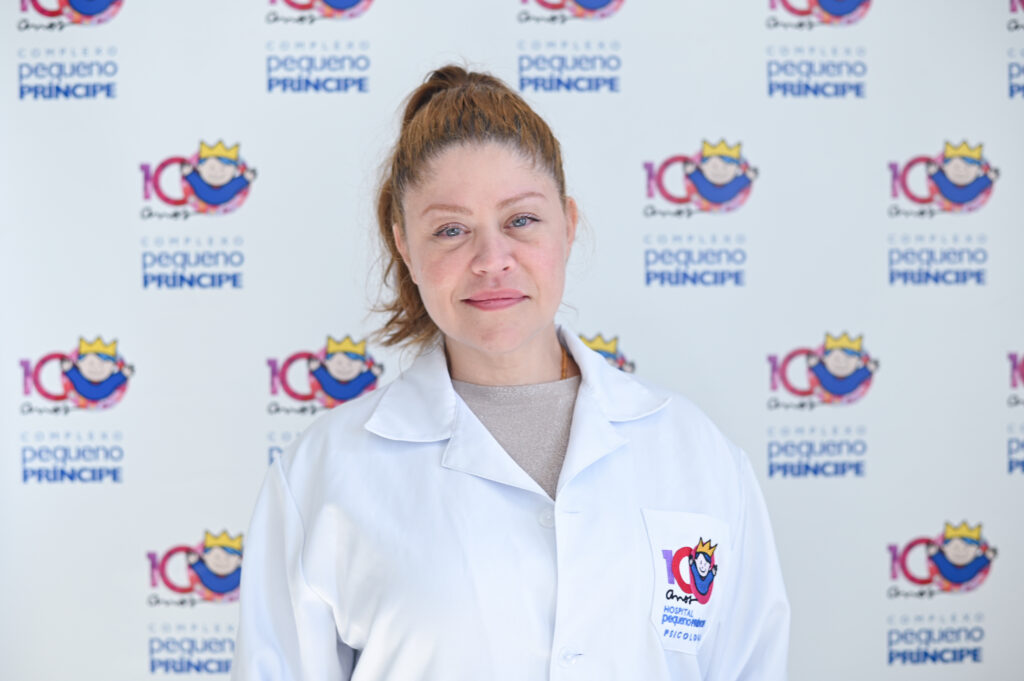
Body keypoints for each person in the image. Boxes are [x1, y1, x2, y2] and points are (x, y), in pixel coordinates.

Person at [232, 65, 789, 680]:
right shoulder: (324, 474)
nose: (492, 260)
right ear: (405, 247)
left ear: (568, 226)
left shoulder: (696, 453)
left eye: (521, 220)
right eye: (450, 230)